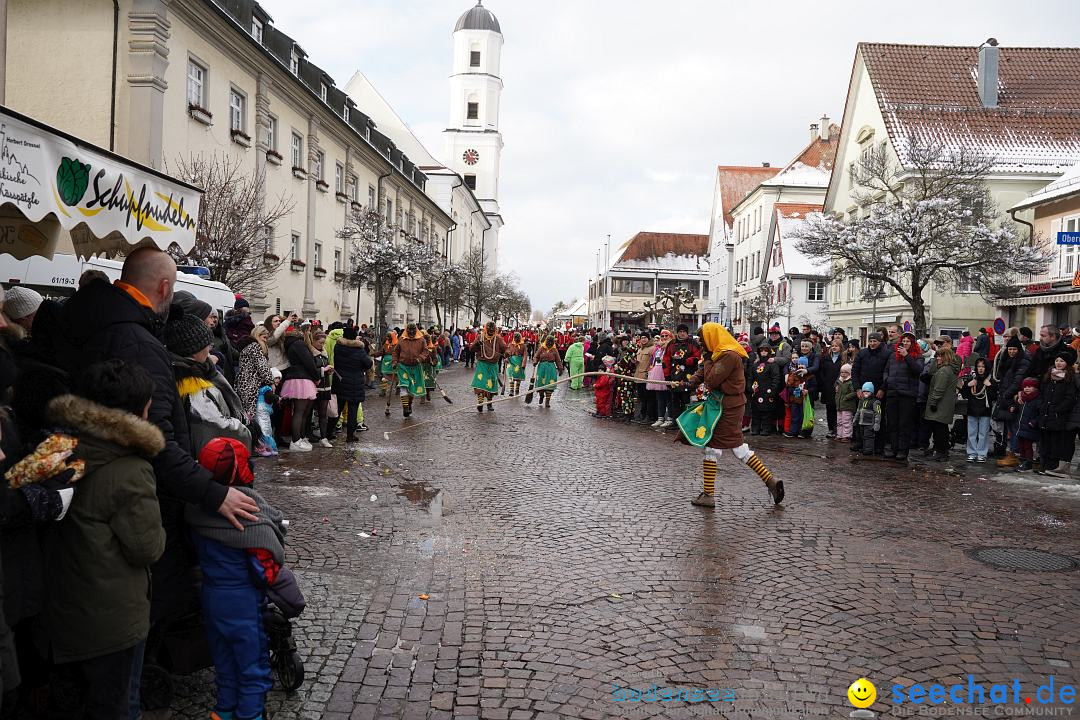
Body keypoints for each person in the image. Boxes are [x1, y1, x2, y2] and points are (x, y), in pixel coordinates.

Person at [55, 249, 258, 647]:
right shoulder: (135, 340)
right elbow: (155, 435)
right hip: (141, 495)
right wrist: (211, 492)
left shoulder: (96, 323)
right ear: (165, 287)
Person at [41, 361, 165, 719]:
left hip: (62, 606)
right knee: (118, 704)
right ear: (139, 410)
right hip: (112, 618)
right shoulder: (129, 470)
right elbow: (147, 547)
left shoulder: (55, 448)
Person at [187, 438, 304, 720]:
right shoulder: (248, 518)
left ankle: (223, 713)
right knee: (252, 667)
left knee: (225, 664)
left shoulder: (195, 512)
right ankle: (250, 715)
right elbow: (265, 572)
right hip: (242, 605)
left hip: (211, 599)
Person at [676, 323, 783, 508]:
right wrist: (689, 383)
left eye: (703, 340)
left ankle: (711, 495)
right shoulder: (718, 352)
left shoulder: (728, 355)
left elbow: (712, 379)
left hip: (728, 406)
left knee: (724, 447)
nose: (701, 344)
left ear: (711, 337)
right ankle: (769, 482)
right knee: (725, 447)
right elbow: (703, 373)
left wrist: (707, 359)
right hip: (720, 404)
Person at [166, 310, 252, 453]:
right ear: (194, 350)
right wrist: (247, 431)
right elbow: (215, 425)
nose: (210, 349)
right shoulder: (193, 386)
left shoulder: (190, 371)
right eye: (207, 345)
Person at [882, 332, 923, 461]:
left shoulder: (918, 357)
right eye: (903, 341)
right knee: (892, 423)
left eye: (907, 342)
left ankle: (902, 450)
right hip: (893, 393)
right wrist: (887, 380)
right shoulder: (893, 356)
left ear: (912, 344)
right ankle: (893, 448)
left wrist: (907, 356)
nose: (904, 344)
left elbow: (918, 370)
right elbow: (886, 370)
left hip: (907, 394)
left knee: (904, 424)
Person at [280, 330, 320, 452]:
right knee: (300, 412)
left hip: (298, 378)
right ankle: (296, 440)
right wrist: (316, 376)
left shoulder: (291, 344)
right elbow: (309, 362)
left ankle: (300, 438)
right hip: (301, 378)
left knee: (302, 412)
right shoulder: (299, 344)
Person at [1037, 354, 1076, 474]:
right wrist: (1042, 406)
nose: (1058, 363)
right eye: (1057, 360)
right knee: (1045, 442)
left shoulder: (1069, 379)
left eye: (1062, 361)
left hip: (1058, 416)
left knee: (1055, 443)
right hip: (1045, 414)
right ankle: (1043, 465)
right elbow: (1042, 393)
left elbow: (1069, 398)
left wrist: (1058, 409)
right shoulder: (1049, 376)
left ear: (1067, 364)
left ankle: (1051, 466)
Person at [851, 333, 889, 454]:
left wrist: (883, 388)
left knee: (878, 418)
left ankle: (878, 445)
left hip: (878, 391)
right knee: (861, 416)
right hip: (863, 391)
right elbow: (855, 371)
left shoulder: (886, 354)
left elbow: (888, 373)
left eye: (875, 341)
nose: (872, 344)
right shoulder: (862, 353)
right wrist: (857, 388)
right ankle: (860, 442)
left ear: (880, 342)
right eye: (870, 341)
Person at [924, 343, 960, 462]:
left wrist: (933, 403)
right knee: (941, 428)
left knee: (939, 429)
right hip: (945, 405)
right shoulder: (948, 369)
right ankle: (941, 451)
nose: (937, 358)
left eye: (940, 356)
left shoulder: (944, 371)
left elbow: (939, 389)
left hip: (940, 405)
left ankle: (941, 452)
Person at [961, 356, 997, 463]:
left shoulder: (990, 380)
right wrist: (968, 385)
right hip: (972, 408)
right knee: (971, 432)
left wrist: (989, 386)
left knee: (983, 433)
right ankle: (972, 452)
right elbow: (964, 395)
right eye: (979, 366)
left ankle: (982, 453)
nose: (980, 368)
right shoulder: (972, 379)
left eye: (983, 366)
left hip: (985, 410)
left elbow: (993, 397)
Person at [235, 326, 276, 421]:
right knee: (251, 416)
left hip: (244, 384)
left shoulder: (247, 347)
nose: (266, 341)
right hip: (251, 385)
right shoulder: (255, 346)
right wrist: (271, 382)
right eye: (264, 338)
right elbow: (262, 367)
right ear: (258, 335)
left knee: (246, 414)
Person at [663, 324, 701, 418]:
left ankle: (686, 421)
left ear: (687, 333)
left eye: (684, 332)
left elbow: (697, 358)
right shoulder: (671, 344)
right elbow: (666, 360)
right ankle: (675, 420)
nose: (682, 333)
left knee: (686, 399)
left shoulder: (693, 343)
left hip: (688, 375)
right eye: (680, 331)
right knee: (674, 399)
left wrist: (685, 361)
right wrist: (667, 376)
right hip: (674, 375)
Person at [392, 324, 429, 417]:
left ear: (416, 330)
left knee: (412, 388)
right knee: (404, 385)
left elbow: (425, 351)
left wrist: (420, 358)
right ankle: (405, 407)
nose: (411, 332)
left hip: (416, 367)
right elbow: (396, 352)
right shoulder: (401, 340)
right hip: (403, 366)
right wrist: (394, 362)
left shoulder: (421, 340)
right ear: (406, 330)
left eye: (413, 330)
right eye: (409, 330)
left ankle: (409, 405)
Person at [470, 322, 505, 412]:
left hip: (493, 365)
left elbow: (505, 348)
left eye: (492, 330)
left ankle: (489, 403)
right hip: (482, 364)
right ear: (485, 329)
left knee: (490, 384)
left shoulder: (498, 338)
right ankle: (480, 402)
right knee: (480, 383)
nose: (490, 331)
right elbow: (471, 349)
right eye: (489, 329)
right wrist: (477, 344)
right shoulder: (480, 337)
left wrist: (507, 353)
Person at [748, 344, 781, 436]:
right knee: (755, 411)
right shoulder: (755, 365)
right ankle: (755, 428)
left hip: (767, 391)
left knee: (767, 412)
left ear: (768, 352)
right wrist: (750, 387)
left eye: (765, 351)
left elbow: (776, 378)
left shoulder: (772, 365)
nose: (763, 352)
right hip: (756, 391)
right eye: (761, 351)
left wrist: (773, 390)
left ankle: (766, 429)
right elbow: (750, 377)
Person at [310, 330, 335, 447]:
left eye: (323, 343)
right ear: (313, 341)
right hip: (314, 387)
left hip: (326, 386)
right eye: (320, 343)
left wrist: (329, 371)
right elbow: (311, 369)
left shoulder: (324, 352)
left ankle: (324, 437)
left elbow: (326, 366)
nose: (322, 345)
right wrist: (323, 370)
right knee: (308, 412)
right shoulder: (310, 353)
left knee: (323, 413)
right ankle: (306, 435)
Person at [818, 338, 844, 438]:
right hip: (827, 387)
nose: (834, 348)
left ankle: (838, 429)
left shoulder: (843, 358)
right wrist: (824, 381)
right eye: (832, 346)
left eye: (836, 346)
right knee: (829, 409)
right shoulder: (825, 358)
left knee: (838, 409)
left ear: (840, 347)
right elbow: (821, 371)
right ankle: (830, 429)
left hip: (838, 386)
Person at [1014, 378, 1041, 472]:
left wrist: (1034, 422)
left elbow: (1040, 414)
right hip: (1021, 426)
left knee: (1027, 446)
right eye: (1025, 386)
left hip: (1030, 427)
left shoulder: (1037, 399)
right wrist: (1013, 408)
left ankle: (1028, 462)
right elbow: (1019, 410)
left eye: (1029, 386)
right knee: (1021, 445)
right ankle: (1022, 460)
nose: (1027, 389)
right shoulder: (1022, 398)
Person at [533, 335, 564, 409]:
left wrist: (560, 369)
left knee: (550, 384)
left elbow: (558, 360)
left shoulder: (554, 350)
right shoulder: (541, 348)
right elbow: (536, 356)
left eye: (551, 342)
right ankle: (541, 396)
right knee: (541, 383)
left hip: (551, 368)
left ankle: (547, 401)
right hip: (542, 368)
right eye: (548, 342)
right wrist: (535, 361)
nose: (549, 344)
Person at [855, 382, 882, 455]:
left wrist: (877, 424)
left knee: (869, 437)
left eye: (868, 391)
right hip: (861, 422)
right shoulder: (861, 401)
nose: (866, 393)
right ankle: (864, 448)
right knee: (862, 436)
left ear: (872, 392)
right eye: (864, 391)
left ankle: (869, 450)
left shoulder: (875, 402)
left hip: (869, 424)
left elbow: (878, 413)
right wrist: (855, 420)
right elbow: (858, 411)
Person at [835, 364, 856, 441]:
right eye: (842, 372)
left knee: (846, 421)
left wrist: (846, 397)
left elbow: (854, 392)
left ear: (849, 373)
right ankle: (839, 435)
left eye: (845, 372)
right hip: (840, 405)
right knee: (839, 421)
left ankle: (847, 436)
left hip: (847, 405)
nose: (843, 374)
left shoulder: (850, 382)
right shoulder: (839, 381)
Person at [505, 332, 527, 396]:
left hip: (519, 362)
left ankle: (517, 389)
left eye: (517, 338)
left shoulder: (523, 346)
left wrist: (523, 364)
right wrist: (506, 358)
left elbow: (525, 355)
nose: (516, 339)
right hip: (511, 361)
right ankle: (511, 390)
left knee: (518, 376)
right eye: (515, 338)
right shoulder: (510, 344)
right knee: (510, 374)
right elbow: (507, 352)